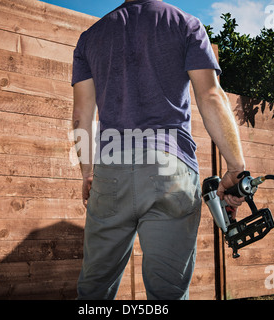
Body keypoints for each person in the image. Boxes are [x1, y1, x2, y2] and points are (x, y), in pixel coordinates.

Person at [71, 0, 246, 300]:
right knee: (168, 295)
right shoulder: (186, 25)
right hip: (170, 169)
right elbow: (211, 96)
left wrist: (88, 172)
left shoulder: (91, 37)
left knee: (94, 292)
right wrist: (236, 169)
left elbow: (81, 115)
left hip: (111, 170)